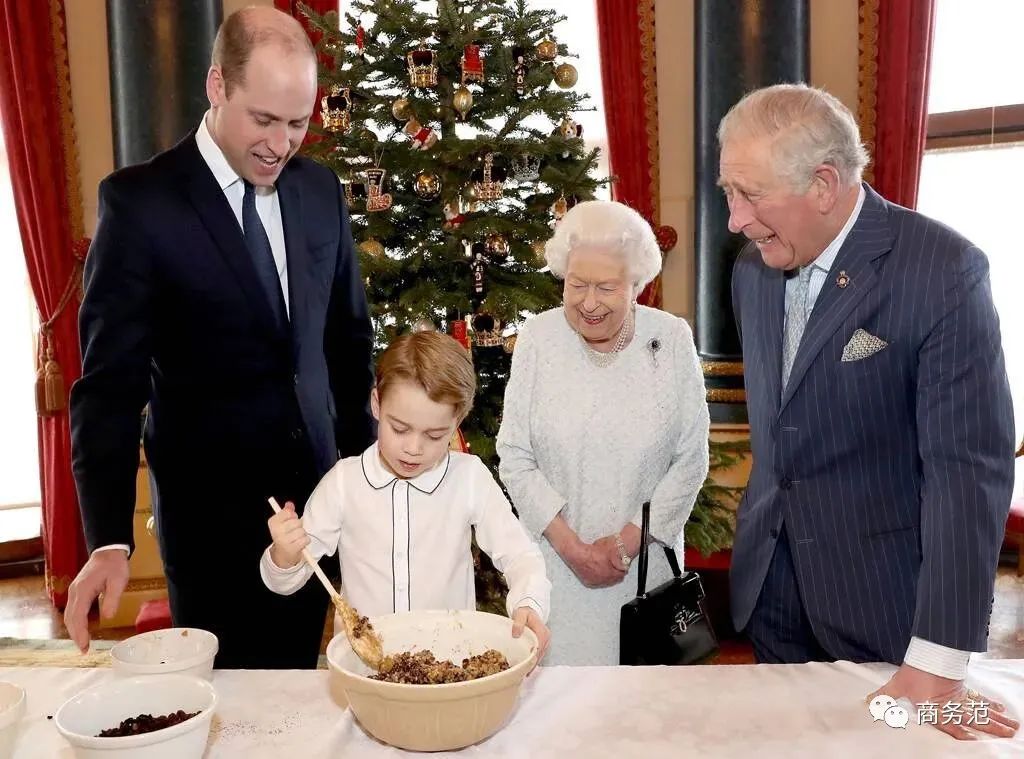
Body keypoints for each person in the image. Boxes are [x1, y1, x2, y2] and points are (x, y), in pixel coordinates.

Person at [65, 7, 375, 669]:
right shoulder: (140, 205)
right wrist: (108, 539)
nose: (280, 143)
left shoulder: (319, 190)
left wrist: (369, 476)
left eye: (297, 124)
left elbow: (349, 343)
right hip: (213, 529)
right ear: (216, 86)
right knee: (231, 713)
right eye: (263, 119)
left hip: (318, 508)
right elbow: (108, 388)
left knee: (300, 692)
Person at [721, 83, 1019, 739]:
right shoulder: (750, 270)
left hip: (886, 609)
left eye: (750, 194)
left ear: (824, 184)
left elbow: (968, 471)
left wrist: (939, 657)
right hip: (770, 590)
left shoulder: (944, 270)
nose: (735, 219)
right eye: (727, 193)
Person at [496, 200, 710, 665]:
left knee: (643, 717)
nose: (589, 303)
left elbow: (690, 458)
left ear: (637, 285)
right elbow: (513, 454)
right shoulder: (537, 338)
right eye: (577, 285)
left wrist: (624, 543)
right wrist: (572, 548)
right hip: (553, 571)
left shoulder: (671, 340)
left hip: (643, 576)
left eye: (607, 287)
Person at [262, 332, 551, 662]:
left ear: (457, 421)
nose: (413, 448)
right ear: (376, 404)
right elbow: (285, 581)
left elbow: (521, 555)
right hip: (363, 669)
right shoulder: (344, 482)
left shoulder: (468, 477)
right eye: (399, 428)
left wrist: (529, 601)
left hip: (448, 664)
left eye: (434, 435)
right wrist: (285, 555)